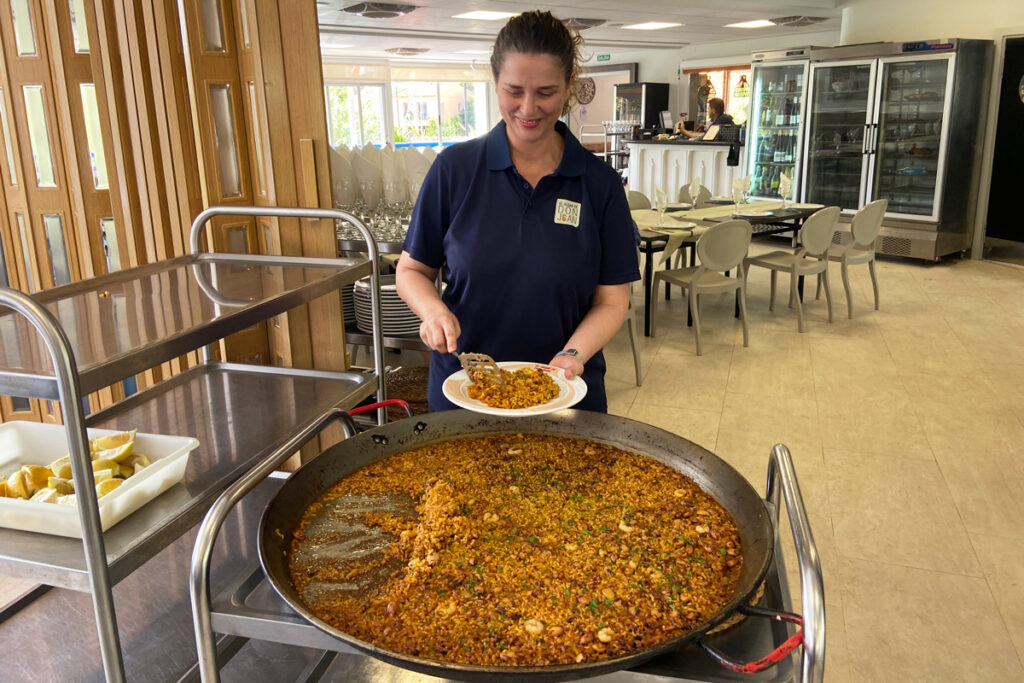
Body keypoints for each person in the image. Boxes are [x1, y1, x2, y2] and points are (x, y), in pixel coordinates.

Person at [395, 10, 640, 413]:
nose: (528, 108)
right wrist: (432, 310)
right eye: (514, 90)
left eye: (545, 92)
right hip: (465, 391)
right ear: (495, 85)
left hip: (566, 392)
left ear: (568, 89)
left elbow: (612, 301)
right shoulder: (454, 169)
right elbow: (411, 271)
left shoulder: (599, 184)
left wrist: (574, 355)